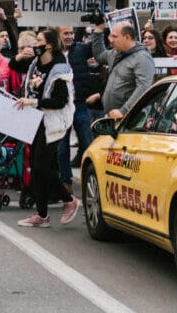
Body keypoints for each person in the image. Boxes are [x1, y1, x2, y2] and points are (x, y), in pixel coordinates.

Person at [16, 30, 80, 228]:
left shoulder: (60, 68)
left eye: (39, 41)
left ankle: (69, 200)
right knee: (36, 168)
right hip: (36, 120)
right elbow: (14, 65)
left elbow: (60, 101)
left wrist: (32, 101)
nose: (35, 43)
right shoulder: (36, 62)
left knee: (43, 167)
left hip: (53, 122)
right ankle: (42, 215)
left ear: (49, 45)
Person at [91, 22, 155, 119]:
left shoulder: (142, 58)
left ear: (127, 37)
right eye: (110, 35)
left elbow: (144, 87)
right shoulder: (115, 52)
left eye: (114, 36)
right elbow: (99, 56)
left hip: (129, 118)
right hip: (112, 116)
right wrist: (99, 30)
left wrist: (124, 110)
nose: (110, 39)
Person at [57, 25, 94, 186]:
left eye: (72, 33)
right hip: (60, 106)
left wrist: (98, 28)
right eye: (66, 33)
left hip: (79, 103)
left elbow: (101, 45)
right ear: (58, 35)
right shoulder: (52, 53)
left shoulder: (81, 50)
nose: (70, 36)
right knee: (62, 147)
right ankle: (65, 181)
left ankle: (91, 178)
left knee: (88, 143)